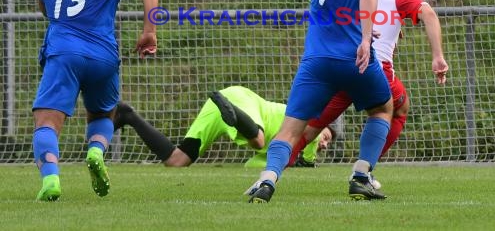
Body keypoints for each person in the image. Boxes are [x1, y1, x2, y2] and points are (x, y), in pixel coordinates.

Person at [246, 0, 393, 203]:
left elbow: (332, 5)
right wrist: (365, 37)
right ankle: (361, 176)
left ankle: (268, 178)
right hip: (355, 58)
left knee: (290, 130)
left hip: (316, 61)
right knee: (382, 109)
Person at [288, 0, 449, 176]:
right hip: (374, 67)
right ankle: (365, 168)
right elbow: (428, 13)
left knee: (311, 126)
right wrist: (438, 57)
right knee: (398, 108)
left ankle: (275, 166)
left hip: (340, 61)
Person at [32, 0, 158, 201]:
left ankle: (51, 179)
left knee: (46, 122)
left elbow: (46, 11)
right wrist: (149, 31)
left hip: (64, 54)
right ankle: (96, 151)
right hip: (103, 56)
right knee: (102, 113)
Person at [112, 86, 335, 168]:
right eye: (327, 135)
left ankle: (128, 116)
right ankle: (232, 112)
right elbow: (307, 155)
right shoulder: (307, 124)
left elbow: (253, 164)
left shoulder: (287, 150)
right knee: (257, 139)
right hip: (240, 99)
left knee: (176, 161)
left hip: (221, 104)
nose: (324, 142)